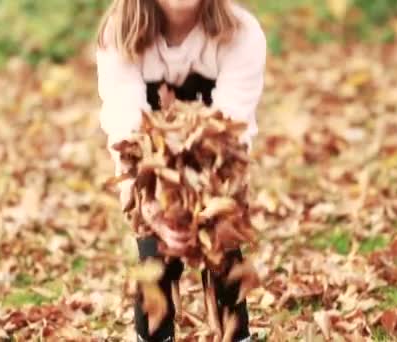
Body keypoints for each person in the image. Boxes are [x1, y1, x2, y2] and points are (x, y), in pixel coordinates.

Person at [95, 0, 266, 341]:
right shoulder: (120, 34)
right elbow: (126, 132)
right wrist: (152, 209)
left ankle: (235, 334)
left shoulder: (241, 34)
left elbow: (233, 133)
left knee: (224, 254)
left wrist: (203, 209)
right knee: (154, 262)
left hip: (217, 172)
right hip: (150, 176)